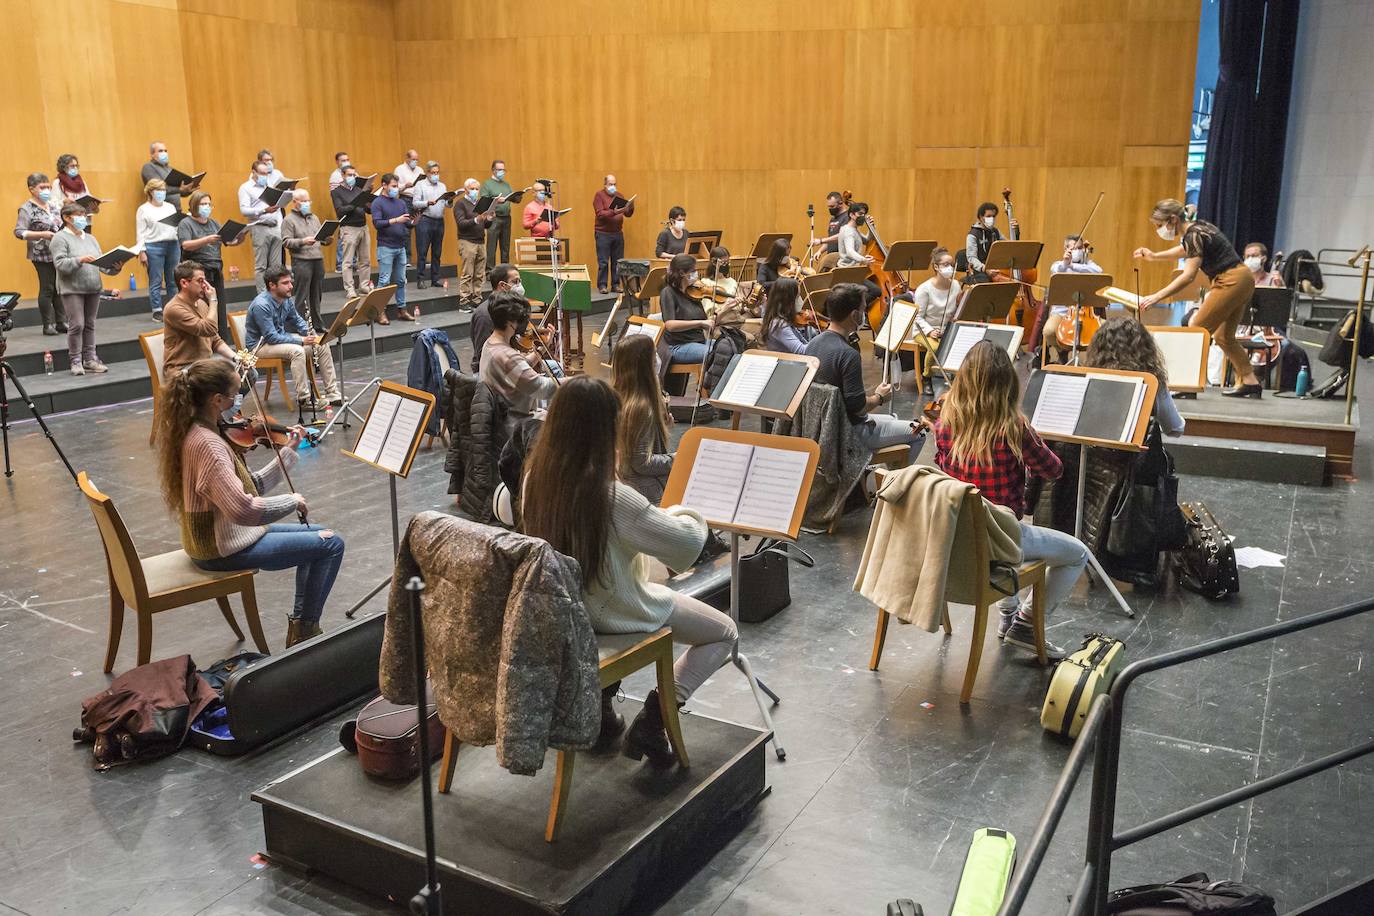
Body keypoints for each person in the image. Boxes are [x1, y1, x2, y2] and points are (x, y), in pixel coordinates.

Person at [520, 377, 737, 764]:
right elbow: (686, 545)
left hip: (564, 612)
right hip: (613, 612)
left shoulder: (535, 479)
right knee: (724, 633)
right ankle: (655, 719)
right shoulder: (611, 496)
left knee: (641, 571)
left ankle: (601, 712)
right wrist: (680, 509)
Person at [155, 358, 344, 649]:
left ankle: (301, 626)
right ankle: (305, 631)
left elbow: (247, 486)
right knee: (330, 545)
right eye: (235, 394)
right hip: (220, 548)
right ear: (217, 400)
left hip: (222, 536)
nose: (239, 401)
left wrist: (289, 452)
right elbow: (243, 509)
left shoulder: (199, 430)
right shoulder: (209, 445)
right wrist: (291, 501)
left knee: (321, 534)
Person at [933, 340, 1087, 658]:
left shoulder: (945, 422)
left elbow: (941, 467)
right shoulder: (1012, 428)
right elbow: (1053, 469)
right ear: (1007, 384)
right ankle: (1026, 626)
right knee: (1076, 555)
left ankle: (1008, 614)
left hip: (954, 536)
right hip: (1001, 539)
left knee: (1003, 532)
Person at [1134, 198, 1261, 397]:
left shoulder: (1193, 235)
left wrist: (1157, 296)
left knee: (1196, 330)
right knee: (1222, 336)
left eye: (1160, 225)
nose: (1159, 230)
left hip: (1230, 280)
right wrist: (1155, 256)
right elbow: (1187, 249)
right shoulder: (1198, 227)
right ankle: (1250, 381)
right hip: (1243, 278)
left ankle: (1187, 386)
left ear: (1173, 219)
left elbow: (1188, 276)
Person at [804, 283, 925, 460]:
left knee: (892, 419)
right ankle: (894, 484)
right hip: (848, 433)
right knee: (918, 432)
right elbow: (859, 409)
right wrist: (880, 397)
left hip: (822, 429)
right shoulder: (848, 354)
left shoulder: (813, 343)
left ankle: (877, 478)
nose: (865, 314)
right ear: (854, 315)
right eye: (863, 309)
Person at [244, 267, 341, 409]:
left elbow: (297, 320)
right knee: (297, 351)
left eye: (290, 282)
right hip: (260, 347)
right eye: (285, 283)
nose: (290, 286)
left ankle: (332, 393)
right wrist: (301, 340)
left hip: (278, 339)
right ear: (272, 285)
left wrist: (310, 333)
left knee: (321, 344)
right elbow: (271, 337)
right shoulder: (261, 305)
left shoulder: (285, 299)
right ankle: (304, 400)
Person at [1084, 317, 1186, 437]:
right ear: (1146, 349)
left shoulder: (1088, 378)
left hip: (1088, 452)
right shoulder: (1151, 383)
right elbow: (1175, 429)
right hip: (1131, 455)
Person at [49, 204, 117, 376]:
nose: (83, 218)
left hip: (93, 287)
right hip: (72, 288)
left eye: (84, 214)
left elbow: (101, 264)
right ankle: (75, 360)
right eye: (79, 215)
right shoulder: (60, 238)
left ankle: (90, 359)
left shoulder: (91, 239)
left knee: (89, 324)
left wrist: (116, 266)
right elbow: (60, 264)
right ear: (67, 217)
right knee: (77, 324)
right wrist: (80, 260)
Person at [611, 333, 673, 502]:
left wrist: (661, 428)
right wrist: (678, 458)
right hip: (646, 493)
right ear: (646, 365)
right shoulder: (641, 408)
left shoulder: (617, 397)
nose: (659, 359)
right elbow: (642, 462)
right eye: (655, 354)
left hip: (628, 485)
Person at [178, 190, 245, 342]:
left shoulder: (214, 223)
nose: (206, 207)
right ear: (194, 205)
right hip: (198, 271)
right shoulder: (186, 223)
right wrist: (207, 239)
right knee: (201, 307)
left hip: (216, 268)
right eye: (203, 204)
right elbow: (186, 245)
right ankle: (204, 341)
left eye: (209, 204)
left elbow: (227, 241)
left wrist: (240, 238)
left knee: (219, 305)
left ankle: (220, 339)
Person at [479, 292, 558, 418]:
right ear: (510, 322)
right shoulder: (506, 355)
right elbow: (541, 388)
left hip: (503, 415)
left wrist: (543, 347)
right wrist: (574, 381)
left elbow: (520, 366)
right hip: (517, 422)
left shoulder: (490, 343)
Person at [161, 261, 238, 382]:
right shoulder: (174, 308)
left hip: (203, 366)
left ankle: (228, 401)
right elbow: (208, 329)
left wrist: (236, 358)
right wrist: (213, 300)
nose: (205, 285)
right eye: (200, 281)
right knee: (224, 379)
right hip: (182, 370)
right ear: (184, 283)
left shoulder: (201, 304)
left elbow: (215, 340)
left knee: (246, 372)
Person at [14, 172, 68, 335]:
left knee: (59, 287)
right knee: (47, 288)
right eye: (42, 187)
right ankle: (47, 324)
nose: (47, 190)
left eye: (49, 187)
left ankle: (61, 322)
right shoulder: (26, 208)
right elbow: (19, 232)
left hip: (58, 251)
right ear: (32, 189)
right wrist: (42, 234)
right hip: (41, 253)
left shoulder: (53, 205)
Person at [904, 247, 962, 390]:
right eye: (946, 265)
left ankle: (956, 378)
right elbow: (917, 317)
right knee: (935, 347)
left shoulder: (955, 285)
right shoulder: (924, 289)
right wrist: (930, 331)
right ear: (936, 267)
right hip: (924, 330)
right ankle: (926, 377)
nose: (950, 268)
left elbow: (956, 311)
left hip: (946, 329)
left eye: (952, 265)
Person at [1041, 235, 1104, 362]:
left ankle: (1095, 362)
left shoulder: (1088, 264)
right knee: (1048, 331)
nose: (1078, 251)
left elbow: (1099, 271)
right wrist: (1066, 264)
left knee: (1107, 329)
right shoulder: (1058, 265)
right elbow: (1056, 270)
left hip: (1087, 315)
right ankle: (1062, 353)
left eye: (1080, 248)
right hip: (1062, 314)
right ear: (1066, 249)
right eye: (1074, 248)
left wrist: (1074, 266)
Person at [281, 189, 330, 330]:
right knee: (302, 296)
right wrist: (302, 241)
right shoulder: (288, 220)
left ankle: (317, 324)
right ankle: (301, 325)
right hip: (301, 260)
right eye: (303, 201)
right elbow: (286, 242)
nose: (307, 203)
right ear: (295, 202)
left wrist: (327, 238)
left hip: (317, 258)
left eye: (308, 200)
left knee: (316, 294)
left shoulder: (314, 217)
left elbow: (320, 237)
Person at [371, 173, 416, 322]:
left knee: (401, 280)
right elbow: (377, 223)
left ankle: (401, 310)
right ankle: (379, 311)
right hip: (386, 247)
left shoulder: (401, 203)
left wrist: (414, 221)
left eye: (397, 186)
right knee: (384, 281)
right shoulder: (377, 202)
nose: (396, 189)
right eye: (393, 186)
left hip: (400, 246)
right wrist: (396, 220)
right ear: (384, 185)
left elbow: (406, 223)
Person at [135, 178, 180, 321]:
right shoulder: (143, 209)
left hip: (172, 244)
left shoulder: (170, 207)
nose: (161, 193)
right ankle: (157, 310)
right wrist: (142, 252)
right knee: (156, 280)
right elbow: (140, 232)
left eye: (163, 190)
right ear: (150, 192)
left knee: (173, 279)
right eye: (158, 190)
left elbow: (176, 226)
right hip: (153, 246)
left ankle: (174, 308)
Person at [238, 161, 284, 292]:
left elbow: (277, 210)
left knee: (276, 266)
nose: (265, 176)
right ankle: (263, 296)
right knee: (261, 266)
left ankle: (276, 294)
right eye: (262, 173)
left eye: (267, 173)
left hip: (275, 227)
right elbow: (244, 210)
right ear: (253, 172)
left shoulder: (270, 187)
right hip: (260, 227)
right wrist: (264, 211)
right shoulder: (246, 187)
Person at [658, 253, 711, 367]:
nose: (696, 274)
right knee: (714, 354)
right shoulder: (668, 292)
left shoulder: (693, 292)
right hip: (678, 345)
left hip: (698, 341)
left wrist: (724, 310)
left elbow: (704, 321)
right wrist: (700, 323)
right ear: (682, 273)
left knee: (729, 349)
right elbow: (670, 325)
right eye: (693, 270)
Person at [330, 165, 374, 300]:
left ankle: (364, 285)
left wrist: (368, 201)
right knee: (348, 262)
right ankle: (350, 289)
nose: (352, 178)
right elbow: (340, 210)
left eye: (354, 175)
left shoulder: (359, 189)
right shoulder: (336, 192)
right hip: (348, 228)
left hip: (363, 226)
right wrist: (356, 203)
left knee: (365, 260)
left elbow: (368, 211)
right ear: (343, 176)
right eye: (349, 175)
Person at [470, 263, 521, 371]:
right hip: (490, 371)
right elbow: (485, 356)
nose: (519, 286)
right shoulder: (484, 315)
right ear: (502, 285)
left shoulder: (510, 307)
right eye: (515, 282)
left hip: (508, 361)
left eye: (519, 282)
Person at [410, 160, 451, 289]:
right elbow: (415, 203)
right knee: (422, 251)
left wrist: (450, 201)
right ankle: (420, 279)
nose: (436, 175)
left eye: (437, 172)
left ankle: (435, 279)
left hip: (439, 221)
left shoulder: (442, 186)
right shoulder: (420, 185)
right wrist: (427, 202)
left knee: (437, 252)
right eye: (433, 173)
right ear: (427, 173)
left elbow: (446, 204)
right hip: (425, 220)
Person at [453, 178, 492, 309]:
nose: (475, 191)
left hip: (480, 241)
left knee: (480, 273)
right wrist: (477, 219)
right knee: (467, 273)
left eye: (477, 189)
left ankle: (477, 300)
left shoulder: (481, 204)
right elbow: (461, 223)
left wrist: (489, 218)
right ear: (465, 190)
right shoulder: (460, 204)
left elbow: (486, 224)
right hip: (467, 241)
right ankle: (464, 301)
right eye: (472, 189)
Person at [593, 174, 635, 293]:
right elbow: (600, 214)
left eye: (614, 184)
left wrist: (631, 207)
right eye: (610, 184)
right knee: (603, 262)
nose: (613, 186)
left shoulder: (619, 196)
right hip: (603, 233)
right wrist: (614, 212)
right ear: (605, 185)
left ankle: (616, 284)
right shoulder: (599, 195)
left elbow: (627, 214)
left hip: (617, 233)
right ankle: (602, 285)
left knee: (618, 261)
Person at [140, 141, 199, 212]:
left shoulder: (169, 169)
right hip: (160, 211)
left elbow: (179, 192)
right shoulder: (148, 167)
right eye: (160, 151)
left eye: (165, 151)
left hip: (176, 210)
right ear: (152, 154)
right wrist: (179, 189)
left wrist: (188, 189)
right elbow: (158, 188)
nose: (164, 153)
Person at [761, 277, 814, 354]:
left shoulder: (783, 317)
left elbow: (803, 342)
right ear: (788, 300)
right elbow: (802, 351)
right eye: (798, 297)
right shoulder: (779, 324)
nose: (801, 301)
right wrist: (823, 338)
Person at [481, 159, 514, 265]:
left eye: (503, 170)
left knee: (505, 246)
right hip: (494, 218)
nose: (502, 172)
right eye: (499, 169)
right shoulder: (487, 184)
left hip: (506, 217)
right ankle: (490, 272)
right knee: (491, 246)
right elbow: (483, 201)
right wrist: (495, 200)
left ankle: (505, 270)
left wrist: (517, 196)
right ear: (493, 170)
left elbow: (511, 196)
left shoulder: (506, 184)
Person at [965, 201, 1007, 281]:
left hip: (995, 267)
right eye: (988, 216)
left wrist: (1015, 231)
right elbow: (972, 258)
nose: (992, 219)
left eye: (993, 216)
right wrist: (985, 269)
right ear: (981, 217)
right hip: (980, 270)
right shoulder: (973, 235)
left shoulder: (996, 231)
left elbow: (1008, 247)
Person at [394, 149, 424, 259]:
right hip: (405, 198)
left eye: (417, 159)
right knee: (406, 229)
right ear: (407, 159)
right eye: (413, 159)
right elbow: (395, 188)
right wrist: (405, 186)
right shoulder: (399, 169)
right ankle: (407, 258)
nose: (415, 161)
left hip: (418, 200)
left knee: (420, 228)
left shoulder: (420, 169)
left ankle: (422, 258)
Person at [809, 190, 848, 271]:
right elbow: (830, 239)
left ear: (840, 203)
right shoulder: (833, 219)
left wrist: (820, 240)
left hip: (842, 258)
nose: (830, 209)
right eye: (829, 207)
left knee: (823, 264)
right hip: (832, 259)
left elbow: (842, 236)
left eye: (832, 207)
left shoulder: (848, 217)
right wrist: (820, 251)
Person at [328, 151, 350, 273]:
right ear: (337, 162)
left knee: (354, 234)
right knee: (344, 233)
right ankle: (340, 263)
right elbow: (336, 194)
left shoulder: (352, 173)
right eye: (343, 160)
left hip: (354, 207)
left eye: (347, 159)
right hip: (343, 207)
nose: (346, 162)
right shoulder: (335, 176)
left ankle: (352, 262)